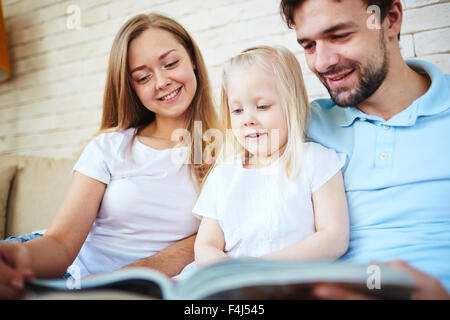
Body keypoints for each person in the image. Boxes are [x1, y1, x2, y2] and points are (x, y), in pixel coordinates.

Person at [0, 13, 222, 299]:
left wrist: (129, 275)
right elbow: (61, 242)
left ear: (192, 59)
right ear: (132, 87)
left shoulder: (224, 152)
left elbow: (210, 241)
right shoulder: (109, 147)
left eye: (171, 63)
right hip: (62, 267)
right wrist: (19, 257)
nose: (162, 81)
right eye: (143, 77)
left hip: (129, 284)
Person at [279, 0, 450, 299]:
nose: (322, 62)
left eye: (340, 35)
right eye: (308, 45)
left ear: (391, 20)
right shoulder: (302, 128)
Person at [193, 46, 349, 269]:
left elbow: (334, 238)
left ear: (291, 104)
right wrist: (228, 274)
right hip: (233, 287)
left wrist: (261, 269)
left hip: (294, 282)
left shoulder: (315, 161)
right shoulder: (223, 174)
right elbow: (206, 245)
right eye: (237, 111)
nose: (248, 119)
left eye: (262, 106)